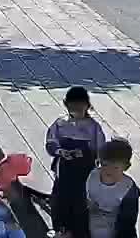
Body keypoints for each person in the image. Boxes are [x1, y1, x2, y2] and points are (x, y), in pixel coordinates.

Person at [45, 86, 106, 238]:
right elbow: (51, 142)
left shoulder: (93, 128)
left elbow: (100, 149)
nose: (77, 109)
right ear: (66, 105)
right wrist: (60, 151)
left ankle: (81, 231)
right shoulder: (60, 124)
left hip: (84, 171)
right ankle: (61, 228)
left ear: (87, 106)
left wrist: (87, 154)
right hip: (64, 168)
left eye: (80, 106)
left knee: (81, 202)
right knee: (60, 199)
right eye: (73, 106)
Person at [85, 138, 140, 238]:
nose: (109, 170)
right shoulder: (92, 176)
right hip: (90, 226)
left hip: (115, 230)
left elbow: (128, 221)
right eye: (105, 165)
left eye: (115, 167)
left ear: (126, 167)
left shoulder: (128, 188)